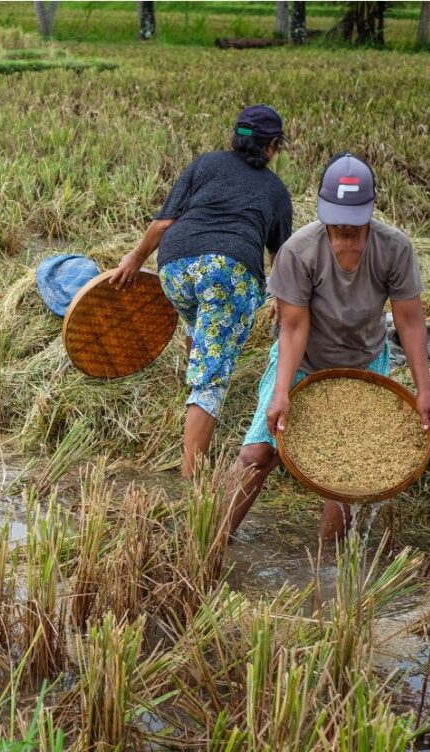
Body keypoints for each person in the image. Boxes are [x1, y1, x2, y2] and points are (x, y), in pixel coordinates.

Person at [227, 152, 430, 540]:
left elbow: (409, 320)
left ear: (370, 210)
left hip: (364, 361)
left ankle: (328, 572)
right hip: (304, 359)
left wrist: (424, 390)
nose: (344, 232)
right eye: (337, 223)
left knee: (348, 474)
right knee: (258, 453)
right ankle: (211, 542)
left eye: (354, 224)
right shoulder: (298, 251)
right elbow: (292, 329)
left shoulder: (395, 248)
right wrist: (281, 393)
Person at [110, 105, 293, 477]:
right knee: (213, 376)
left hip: (174, 267)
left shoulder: (206, 164)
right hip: (228, 271)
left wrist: (134, 258)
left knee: (202, 320)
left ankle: (190, 391)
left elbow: (163, 223)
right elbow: (282, 256)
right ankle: (190, 476)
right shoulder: (275, 189)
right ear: (273, 146)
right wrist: (282, 297)